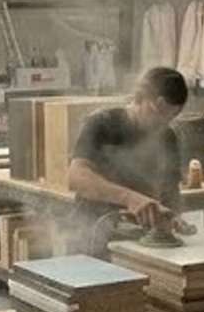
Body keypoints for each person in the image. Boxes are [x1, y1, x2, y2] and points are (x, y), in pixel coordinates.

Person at [65, 66, 196, 257]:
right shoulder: (102, 123)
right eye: (160, 115)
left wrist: (172, 216)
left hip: (140, 239)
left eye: (170, 118)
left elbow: (170, 189)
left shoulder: (167, 136)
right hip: (94, 232)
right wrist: (131, 199)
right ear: (146, 100)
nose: (163, 124)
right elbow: (76, 177)